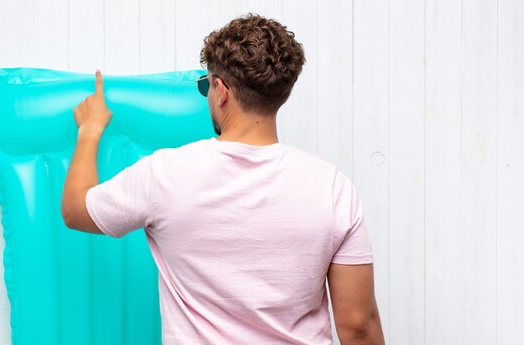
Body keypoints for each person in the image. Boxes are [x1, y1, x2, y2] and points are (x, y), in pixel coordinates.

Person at [62, 13, 385, 345]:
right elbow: (358, 326)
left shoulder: (165, 174)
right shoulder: (333, 188)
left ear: (221, 90)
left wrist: (89, 130)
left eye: (205, 84)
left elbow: (75, 209)